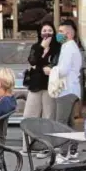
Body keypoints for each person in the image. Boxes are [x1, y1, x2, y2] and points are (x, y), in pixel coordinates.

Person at [43, 19, 82, 162]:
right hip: (73, 89)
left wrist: (50, 70)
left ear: (69, 33)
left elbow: (63, 70)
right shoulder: (72, 47)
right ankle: (73, 151)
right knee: (70, 122)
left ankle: (64, 152)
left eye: (60, 31)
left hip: (66, 90)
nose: (58, 34)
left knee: (61, 122)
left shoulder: (67, 47)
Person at [21, 22, 61, 156]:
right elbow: (32, 61)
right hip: (35, 85)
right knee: (29, 115)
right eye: (44, 30)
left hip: (50, 86)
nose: (47, 33)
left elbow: (53, 66)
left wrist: (40, 67)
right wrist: (41, 48)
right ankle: (27, 147)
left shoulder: (57, 48)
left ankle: (46, 147)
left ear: (54, 33)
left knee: (48, 117)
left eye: (50, 30)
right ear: (40, 33)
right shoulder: (35, 46)